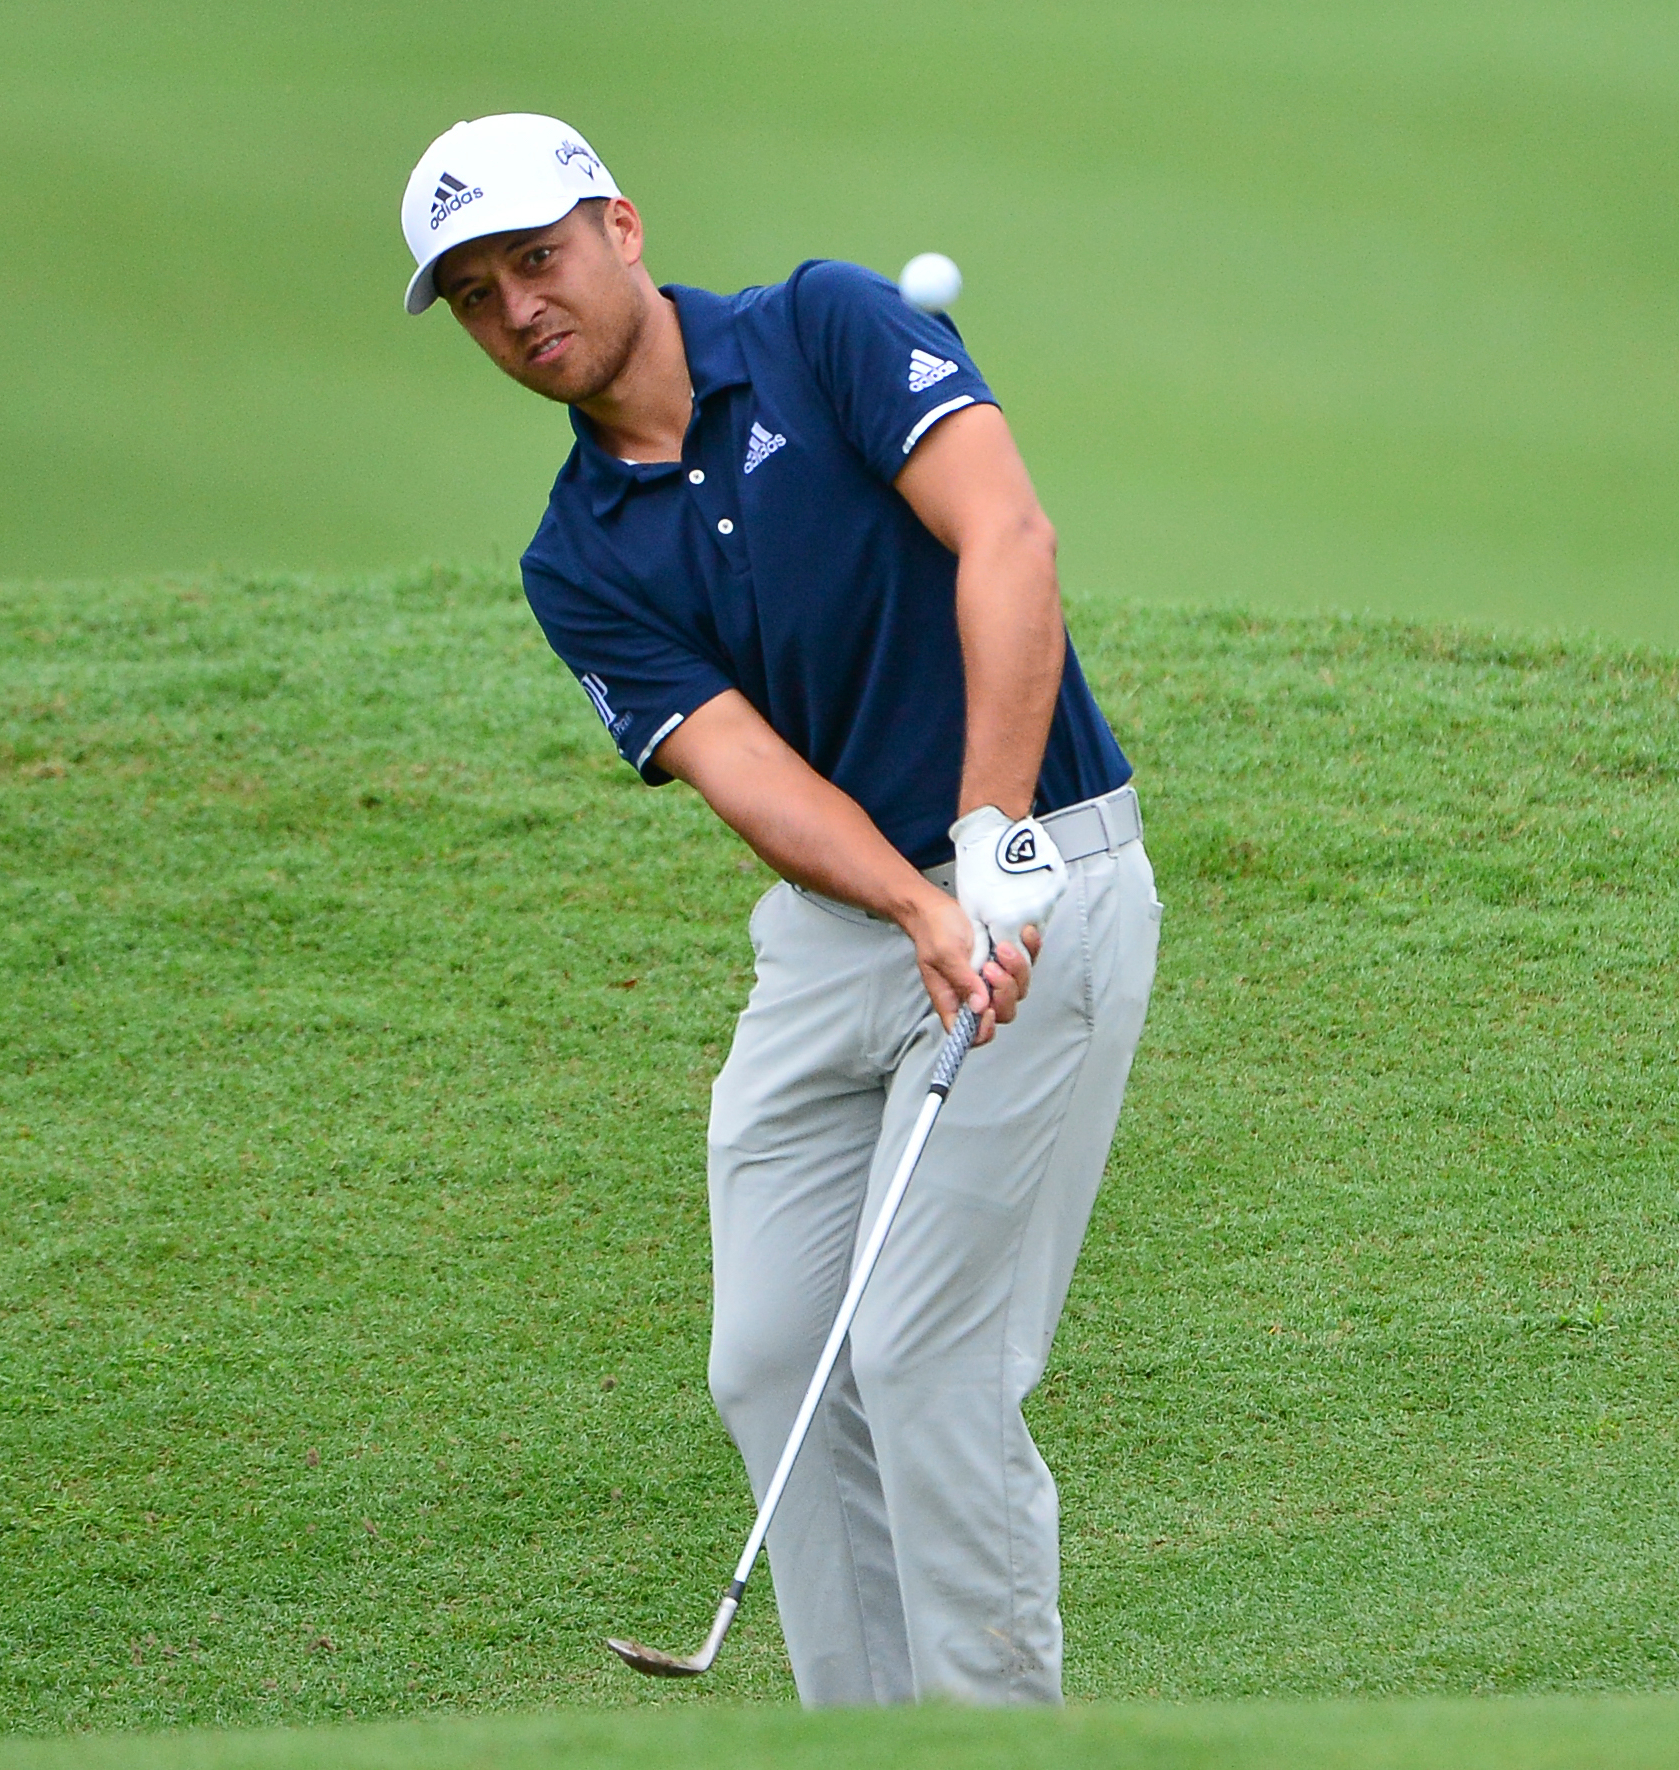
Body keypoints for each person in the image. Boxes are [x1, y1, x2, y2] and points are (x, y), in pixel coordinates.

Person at [395, 114, 1160, 1706]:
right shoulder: (576, 558)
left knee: (925, 1356)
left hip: (1041, 864)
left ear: (619, 225)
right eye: (474, 294)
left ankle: (995, 1738)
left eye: (534, 257)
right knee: (773, 1359)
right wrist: (911, 901)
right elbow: (747, 773)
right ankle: (867, 1734)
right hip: (846, 933)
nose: (516, 308)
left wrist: (989, 846)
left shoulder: (828, 324)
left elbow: (1010, 541)